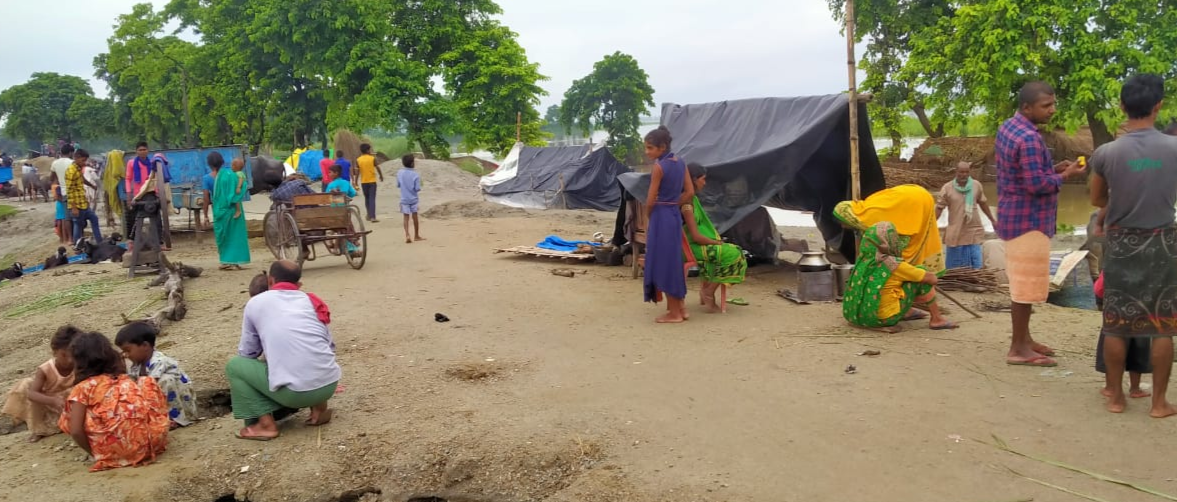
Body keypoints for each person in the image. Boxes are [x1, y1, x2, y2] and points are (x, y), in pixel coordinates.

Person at [1089, 73, 1177, 417]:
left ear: (1123, 107)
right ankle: (1158, 403)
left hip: (1121, 242)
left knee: (1116, 323)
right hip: (1163, 243)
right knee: (1163, 325)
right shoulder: (1174, 149)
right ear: (1158, 106)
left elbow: (1098, 198)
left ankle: (1116, 398)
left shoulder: (1106, 152)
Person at [995, 81, 1087, 367]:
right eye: (1046, 106)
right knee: (1025, 289)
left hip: (1013, 215)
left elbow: (1024, 173)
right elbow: (1037, 185)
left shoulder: (1009, 127)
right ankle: (1017, 349)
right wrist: (1067, 175)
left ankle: (1025, 339)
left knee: (1021, 285)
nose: (1052, 110)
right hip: (1030, 221)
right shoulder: (1031, 139)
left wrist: (1052, 168)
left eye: (1053, 104)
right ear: (1027, 107)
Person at [227, 260, 341, 440]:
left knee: (235, 366)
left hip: (297, 394)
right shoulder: (311, 300)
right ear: (299, 284)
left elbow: (248, 353)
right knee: (309, 353)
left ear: (271, 280)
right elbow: (328, 346)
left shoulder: (256, 303)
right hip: (329, 385)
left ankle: (266, 425)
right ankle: (319, 409)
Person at [834, 185, 956, 331]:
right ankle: (937, 319)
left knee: (899, 281)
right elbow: (931, 279)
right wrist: (922, 274)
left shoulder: (863, 260)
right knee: (920, 278)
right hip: (881, 318)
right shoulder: (894, 264)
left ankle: (907, 310)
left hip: (856, 316)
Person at [59, 331, 169, 472]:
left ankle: (105, 450)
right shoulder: (123, 379)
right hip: (151, 446)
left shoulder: (82, 388)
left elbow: (75, 431)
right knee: (147, 383)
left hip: (112, 454)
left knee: (70, 411)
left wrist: (95, 454)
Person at [642, 126, 694, 323]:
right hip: (673, 215)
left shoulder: (659, 167)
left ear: (662, 147)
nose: (647, 152)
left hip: (661, 216)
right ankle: (681, 308)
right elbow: (689, 192)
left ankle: (674, 313)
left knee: (664, 263)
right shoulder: (681, 163)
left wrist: (650, 215)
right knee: (674, 260)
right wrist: (674, 203)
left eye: (650, 148)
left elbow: (650, 198)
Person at [681, 163, 746, 312]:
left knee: (734, 249)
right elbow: (696, 237)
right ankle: (709, 291)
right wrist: (715, 242)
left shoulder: (690, 200)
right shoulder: (687, 205)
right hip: (690, 248)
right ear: (693, 180)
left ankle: (708, 289)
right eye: (703, 179)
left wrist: (716, 242)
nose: (705, 183)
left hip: (690, 245)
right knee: (734, 254)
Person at [1, 326, 80, 442]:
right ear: (54, 352)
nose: (69, 360)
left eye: (73, 355)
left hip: (68, 405)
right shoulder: (45, 369)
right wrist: (53, 401)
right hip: (47, 404)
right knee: (27, 385)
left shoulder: (80, 365)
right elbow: (32, 393)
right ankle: (39, 430)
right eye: (64, 355)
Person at [115, 322, 198, 429]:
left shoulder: (159, 361)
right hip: (161, 401)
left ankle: (176, 420)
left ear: (145, 346)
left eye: (128, 350)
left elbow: (149, 386)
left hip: (181, 401)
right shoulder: (136, 366)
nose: (126, 355)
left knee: (165, 381)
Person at [936, 161, 996, 269]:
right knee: (954, 266)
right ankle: (955, 281)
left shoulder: (976, 185)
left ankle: (975, 280)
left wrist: (992, 220)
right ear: (956, 172)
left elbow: (983, 203)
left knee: (976, 262)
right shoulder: (947, 188)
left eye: (966, 172)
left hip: (973, 228)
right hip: (956, 229)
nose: (964, 175)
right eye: (961, 172)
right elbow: (939, 208)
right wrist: (931, 224)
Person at [211, 153, 250, 271]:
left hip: (224, 210)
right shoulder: (230, 175)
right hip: (234, 210)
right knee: (237, 236)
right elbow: (238, 190)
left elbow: (235, 191)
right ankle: (235, 261)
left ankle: (227, 261)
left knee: (226, 236)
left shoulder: (223, 176)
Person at [125, 142, 164, 250]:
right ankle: (131, 242)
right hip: (138, 194)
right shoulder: (131, 163)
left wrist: (158, 194)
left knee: (157, 218)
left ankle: (159, 242)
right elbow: (128, 179)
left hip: (150, 193)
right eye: (140, 150)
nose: (142, 152)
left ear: (148, 150)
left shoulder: (152, 163)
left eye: (144, 149)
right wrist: (129, 194)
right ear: (136, 151)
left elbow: (156, 178)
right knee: (133, 219)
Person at [66, 149, 102, 247]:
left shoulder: (78, 168)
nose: (84, 163)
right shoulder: (71, 171)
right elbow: (69, 190)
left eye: (85, 161)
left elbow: (82, 179)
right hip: (76, 204)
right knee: (78, 225)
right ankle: (77, 247)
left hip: (83, 202)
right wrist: (73, 207)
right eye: (83, 160)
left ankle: (100, 242)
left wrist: (91, 185)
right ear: (76, 158)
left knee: (94, 218)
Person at [397, 154, 423, 243]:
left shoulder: (400, 173)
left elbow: (398, 185)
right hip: (413, 199)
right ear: (412, 163)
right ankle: (416, 235)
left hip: (404, 198)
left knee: (405, 217)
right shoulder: (415, 175)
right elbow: (417, 188)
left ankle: (407, 235)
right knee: (415, 217)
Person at [353, 144, 383, 222]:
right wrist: (381, 176)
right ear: (367, 150)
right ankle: (372, 216)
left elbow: (357, 172)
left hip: (364, 182)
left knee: (367, 198)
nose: (370, 151)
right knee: (372, 199)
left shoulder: (358, 160)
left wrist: (356, 182)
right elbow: (378, 167)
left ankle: (369, 215)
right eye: (369, 150)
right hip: (372, 181)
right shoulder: (372, 158)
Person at [200, 155, 219, 231]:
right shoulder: (228, 175)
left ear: (209, 164)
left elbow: (206, 199)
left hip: (218, 209)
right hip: (231, 209)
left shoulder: (207, 178)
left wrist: (205, 216)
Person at [51, 175, 72, 245]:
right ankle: (65, 238)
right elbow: (59, 197)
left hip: (58, 204)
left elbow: (55, 197)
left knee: (59, 220)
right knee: (63, 221)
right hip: (62, 204)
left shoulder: (53, 186)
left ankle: (61, 238)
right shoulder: (59, 187)